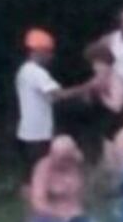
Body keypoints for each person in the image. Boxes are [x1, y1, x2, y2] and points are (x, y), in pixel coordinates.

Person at [15, 28, 96, 181]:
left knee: (29, 176)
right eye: (48, 52)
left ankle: (30, 202)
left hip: (27, 132)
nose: (51, 56)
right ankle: (38, 202)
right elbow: (60, 94)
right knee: (39, 174)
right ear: (38, 51)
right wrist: (88, 87)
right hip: (37, 134)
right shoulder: (37, 73)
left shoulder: (23, 71)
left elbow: (52, 99)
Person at [84, 43, 123, 176]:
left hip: (121, 126)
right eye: (93, 64)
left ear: (106, 64)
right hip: (106, 128)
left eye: (98, 64)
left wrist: (102, 95)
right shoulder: (96, 80)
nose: (95, 68)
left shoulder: (117, 80)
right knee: (111, 169)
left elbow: (117, 106)